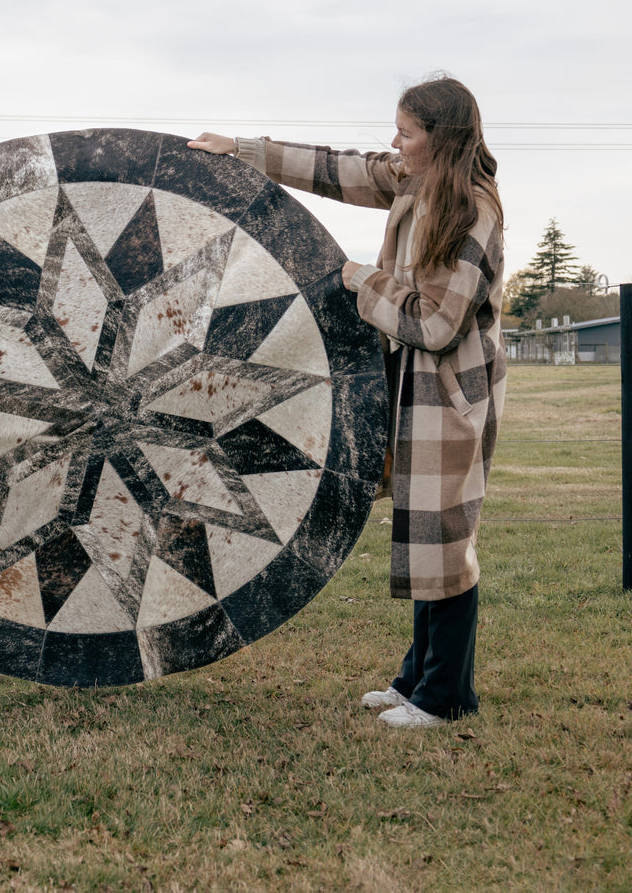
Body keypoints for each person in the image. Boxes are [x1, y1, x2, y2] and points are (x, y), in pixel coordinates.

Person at [189, 76, 505, 728]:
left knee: (444, 543)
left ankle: (445, 699)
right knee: (425, 534)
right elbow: (341, 169)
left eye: (407, 133)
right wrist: (245, 150)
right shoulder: (418, 184)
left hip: (448, 392)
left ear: (439, 141)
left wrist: (366, 281)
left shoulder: (473, 210)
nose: (395, 144)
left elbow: (439, 327)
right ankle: (418, 680)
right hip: (412, 386)